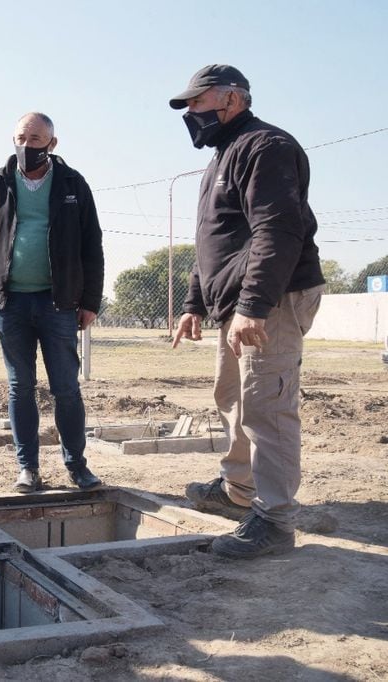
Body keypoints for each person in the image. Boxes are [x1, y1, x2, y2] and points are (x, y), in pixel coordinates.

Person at [170, 64, 325, 559]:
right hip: (233, 302)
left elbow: (277, 231)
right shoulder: (221, 158)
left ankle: (275, 520)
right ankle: (239, 492)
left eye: (197, 103)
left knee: (267, 405)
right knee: (233, 397)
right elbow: (213, 242)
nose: (191, 113)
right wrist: (195, 303)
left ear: (232, 100)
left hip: (269, 299)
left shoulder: (266, 148)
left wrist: (255, 306)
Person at [0, 112, 105, 494]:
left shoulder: (74, 183)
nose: (28, 145)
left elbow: (93, 246)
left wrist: (90, 300)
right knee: (19, 386)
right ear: (13, 139)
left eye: (37, 139)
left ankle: (77, 466)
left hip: (59, 304)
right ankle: (28, 469)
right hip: (10, 304)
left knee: (66, 388)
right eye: (22, 137)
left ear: (53, 144)